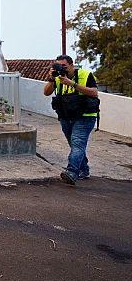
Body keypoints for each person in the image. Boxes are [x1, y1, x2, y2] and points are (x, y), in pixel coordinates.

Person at [43, 54, 99, 185]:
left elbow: (93, 92)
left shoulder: (85, 75)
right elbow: (46, 92)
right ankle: (84, 170)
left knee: (77, 143)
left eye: (64, 66)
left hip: (85, 116)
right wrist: (51, 78)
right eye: (58, 66)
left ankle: (72, 172)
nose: (62, 69)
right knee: (75, 144)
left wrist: (72, 84)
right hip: (66, 115)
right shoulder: (57, 77)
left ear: (71, 65)